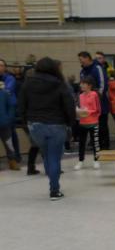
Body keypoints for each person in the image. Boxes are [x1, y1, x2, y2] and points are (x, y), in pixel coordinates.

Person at [18, 57, 75, 199]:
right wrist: (70, 123)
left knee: (46, 155)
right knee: (54, 157)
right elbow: (69, 105)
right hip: (56, 124)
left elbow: (22, 105)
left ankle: (52, 183)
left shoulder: (28, 83)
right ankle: (54, 190)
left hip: (35, 125)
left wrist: (25, 122)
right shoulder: (59, 83)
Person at [78, 51, 110, 150]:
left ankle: (104, 146)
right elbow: (82, 87)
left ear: (87, 58)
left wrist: (96, 99)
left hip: (100, 103)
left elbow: (103, 85)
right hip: (88, 106)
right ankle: (96, 145)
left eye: (81, 60)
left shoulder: (97, 68)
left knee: (102, 126)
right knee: (92, 126)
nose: (80, 62)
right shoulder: (82, 72)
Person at [75, 76, 101, 170]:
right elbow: (78, 107)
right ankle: (80, 161)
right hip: (83, 122)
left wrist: (87, 112)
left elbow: (97, 109)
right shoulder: (80, 95)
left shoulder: (94, 94)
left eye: (83, 84)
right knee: (81, 143)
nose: (81, 85)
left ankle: (96, 160)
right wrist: (78, 111)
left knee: (95, 143)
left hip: (93, 122)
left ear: (89, 85)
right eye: (81, 83)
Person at [0, 80, 17, 170]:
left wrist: (9, 118)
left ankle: (12, 162)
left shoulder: (4, 93)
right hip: (5, 122)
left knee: (9, 144)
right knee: (9, 143)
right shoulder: (5, 93)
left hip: (4, 123)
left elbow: (11, 106)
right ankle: (12, 162)